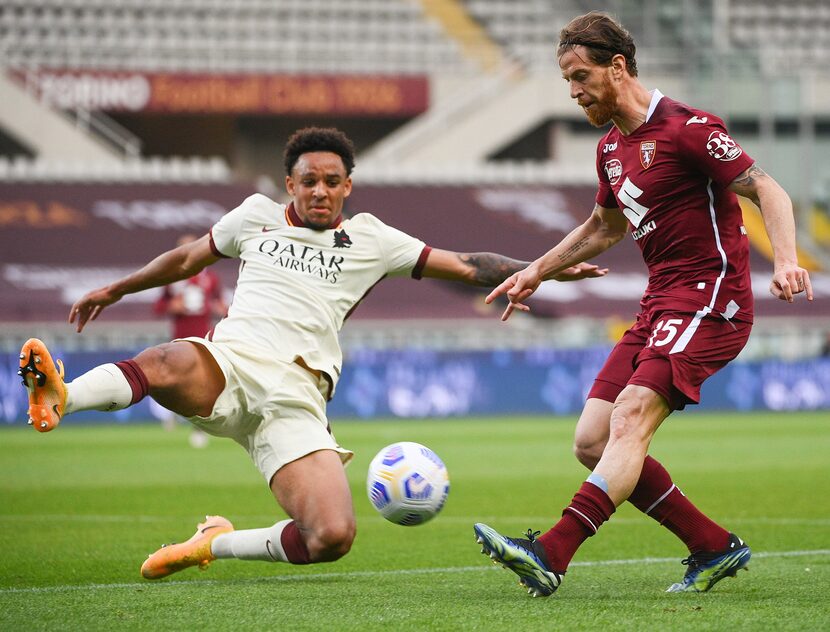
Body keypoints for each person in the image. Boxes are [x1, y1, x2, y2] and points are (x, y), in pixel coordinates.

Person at [18, 127, 606, 580]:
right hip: (231, 365)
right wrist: (118, 288)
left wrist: (543, 269)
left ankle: (212, 543)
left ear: (348, 185)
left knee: (330, 537)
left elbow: (467, 265)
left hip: (298, 399)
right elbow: (186, 260)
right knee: (169, 359)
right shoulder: (253, 217)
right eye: (308, 181)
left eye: (331, 181)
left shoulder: (374, 239)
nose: (320, 190)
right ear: (289, 185)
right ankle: (62, 396)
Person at [475, 12, 813, 597]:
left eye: (580, 77)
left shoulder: (688, 128)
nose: (574, 91)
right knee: (591, 441)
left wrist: (784, 259)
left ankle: (550, 553)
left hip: (711, 298)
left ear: (618, 67)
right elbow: (602, 227)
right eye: (567, 82)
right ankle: (711, 545)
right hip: (659, 305)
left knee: (631, 418)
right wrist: (535, 271)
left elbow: (767, 187)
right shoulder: (610, 148)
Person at [153, 233, 227, 445]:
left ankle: (200, 427)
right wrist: (170, 306)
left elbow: (220, 303)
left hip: (203, 337)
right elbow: (159, 306)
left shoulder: (211, 278)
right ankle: (171, 416)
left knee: (202, 383)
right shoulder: (171, 277)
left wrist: (220, 309)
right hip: (178, 338)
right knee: (174, 380)